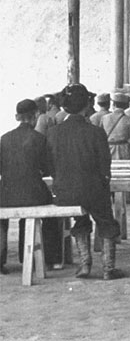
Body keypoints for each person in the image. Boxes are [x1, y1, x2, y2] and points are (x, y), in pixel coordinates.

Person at [47, 84, 124, 280]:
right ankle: (108, 268)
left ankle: (84, 265)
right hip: (93, 190)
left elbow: (50, 166)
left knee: (80, 221)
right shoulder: (96, 132)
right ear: (86, 105)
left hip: (65, 192)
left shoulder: (53, 133)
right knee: (106, 222)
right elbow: (105, 167)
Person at [1, 99, 62, 275]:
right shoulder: (40, 139)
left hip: (6, 195)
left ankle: (0, 260)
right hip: (34, 194)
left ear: (17, 117)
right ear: (35, 115)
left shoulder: (3, 139)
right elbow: (49, 169)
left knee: (2, 222)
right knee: (50, 217)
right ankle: (51, 259)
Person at [101, 92, 130, 160]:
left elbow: (101, 138)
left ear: (114, 104)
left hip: (108, 150)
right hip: (124, 151)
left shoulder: (104, 118)